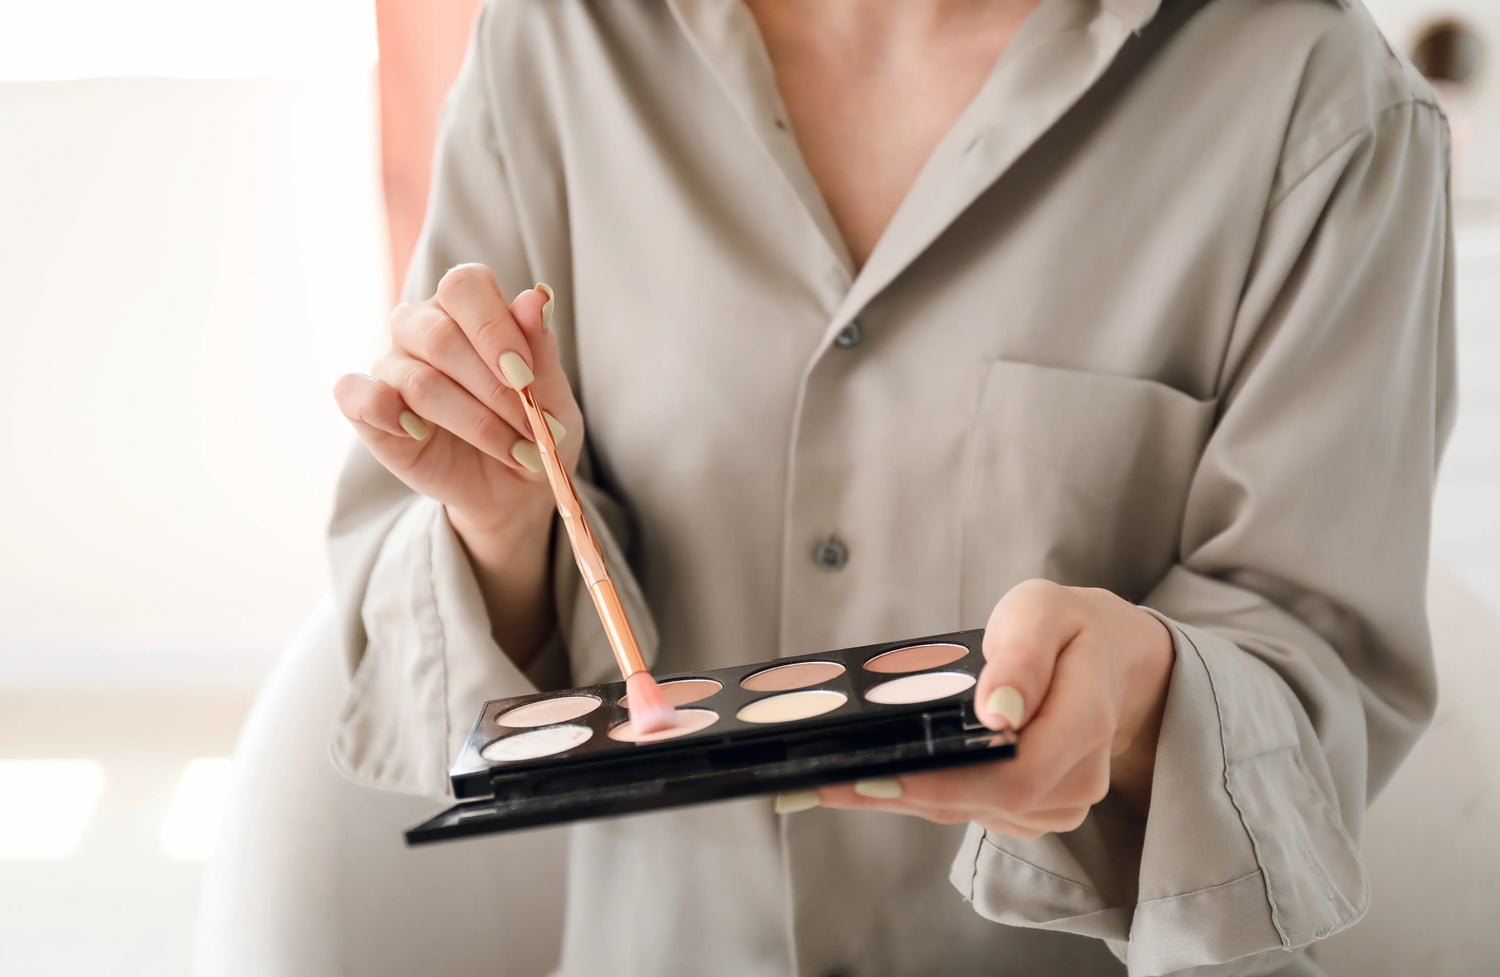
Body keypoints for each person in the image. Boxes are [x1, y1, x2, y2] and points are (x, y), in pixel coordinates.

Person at [324, 0, 1456, 973]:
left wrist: (1142, 701)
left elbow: (1325, 692)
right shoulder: (558, 43)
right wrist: (505, 517)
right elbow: (425, 664)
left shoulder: (1324, 101)